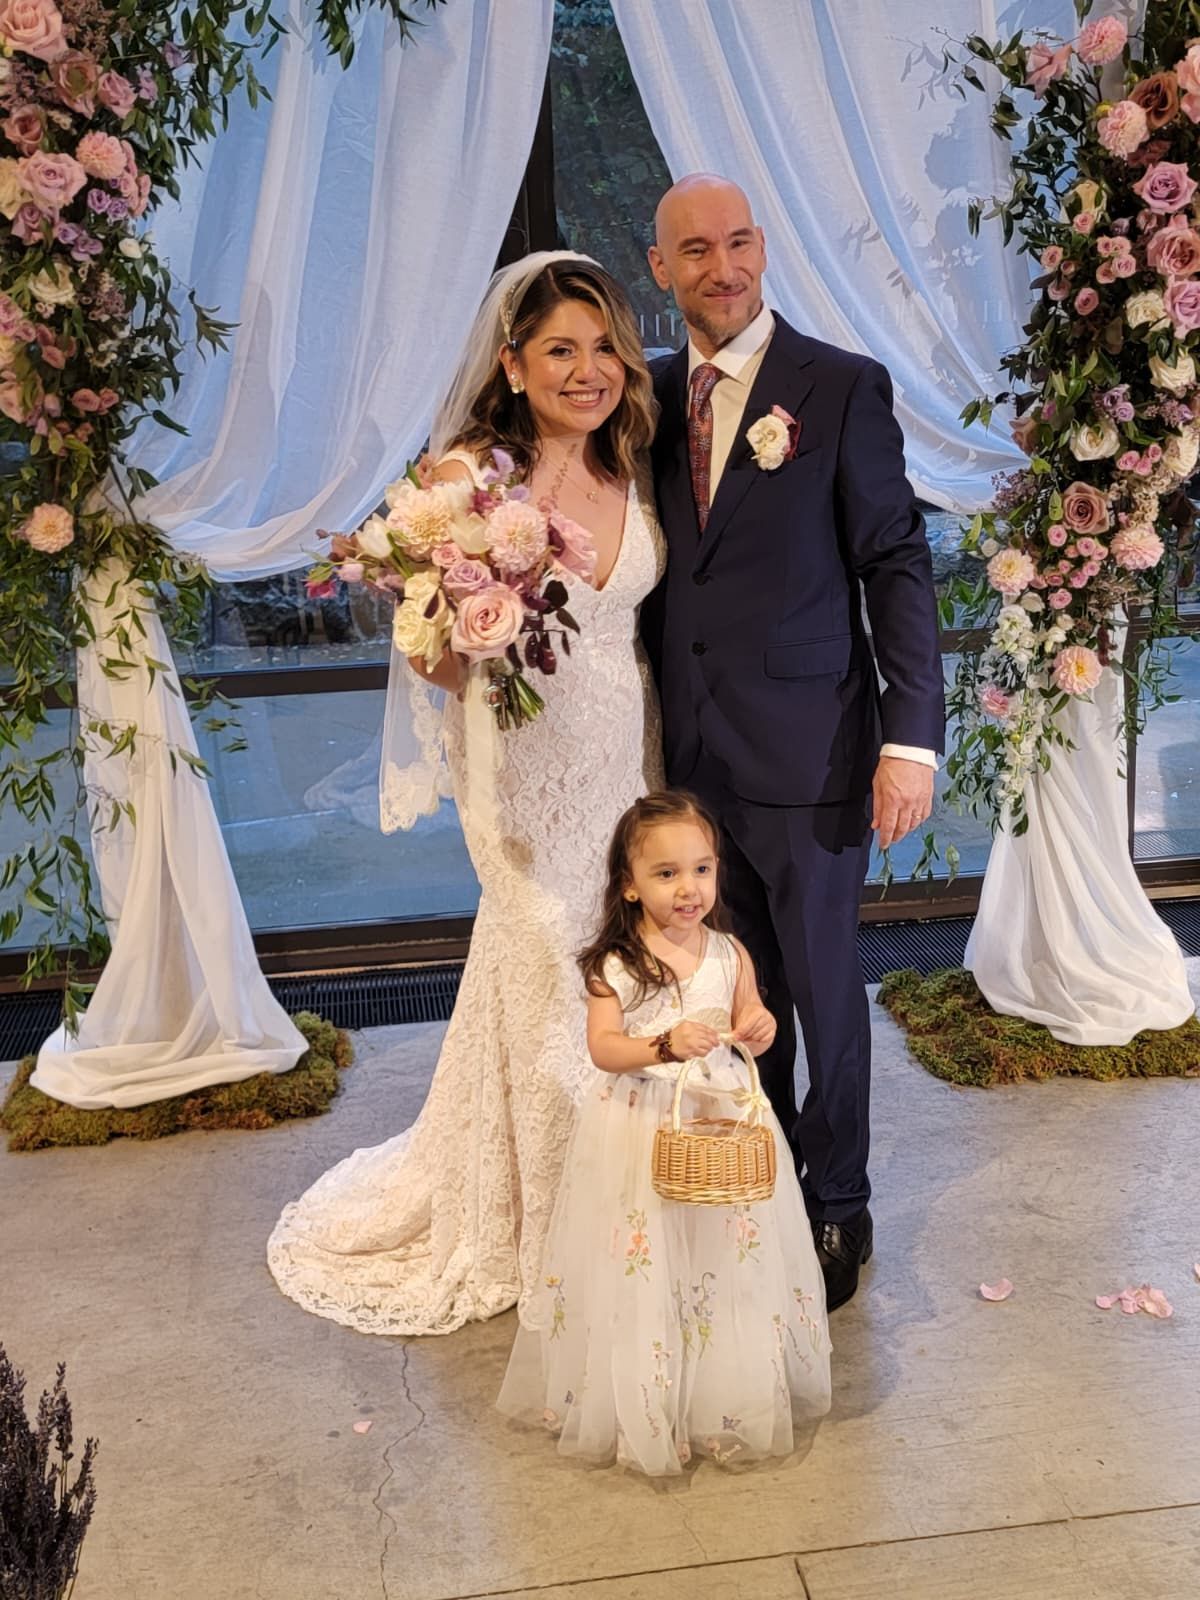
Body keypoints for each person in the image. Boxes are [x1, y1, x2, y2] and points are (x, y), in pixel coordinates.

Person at [267, 252, 666, 1336]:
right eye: (559, 351)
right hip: (521, 777)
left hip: (625, 770)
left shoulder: (637, 461)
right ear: (512, 362)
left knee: (602, 971)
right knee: (549, 962)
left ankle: (596, 1208)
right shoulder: (467, 478)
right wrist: (463, 608)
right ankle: (549, 1242)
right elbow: (433, 655)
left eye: (602, 349)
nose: (587, 371)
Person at [642, 175, 945, 1311]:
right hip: (692, 764)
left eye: (739, 244)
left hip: (817, 750)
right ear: (661, 264)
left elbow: (896, 564)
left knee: (822, 989)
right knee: (730, 983)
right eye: (695, 250)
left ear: (763, 249)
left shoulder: (842, 387)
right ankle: (757, 1182)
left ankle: (838, 1206)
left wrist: (909, 738)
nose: (722, 268)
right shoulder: (652, 397)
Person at [498, 791, 831, 1475]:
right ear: (628, 885)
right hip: (645, 1127)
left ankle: (719, 1396)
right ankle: (649, 1400)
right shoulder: (615, 966)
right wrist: (662, 1045)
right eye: (667, 874)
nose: (689, 889)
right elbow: (605, 1050)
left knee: (723, 1263)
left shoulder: (730, 950)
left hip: (720, 1124)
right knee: (649, 1265)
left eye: (702, 870)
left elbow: (751, 1017)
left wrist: (759, 1026)